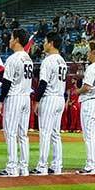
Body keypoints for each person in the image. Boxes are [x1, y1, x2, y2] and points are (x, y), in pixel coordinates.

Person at [0, 29, 33, 177]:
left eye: (11, 38)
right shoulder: (27, 58)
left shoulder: (13, 58)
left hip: (15, 97)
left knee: (10, 133)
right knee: (23, 134)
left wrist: (0, 101)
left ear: (17, 40)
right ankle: (23, 167)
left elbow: (6, 83)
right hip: (25, 97)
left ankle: (12, 167)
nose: (9, 40)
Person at [32, 33, 67, 176]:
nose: (44, 44)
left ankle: (42, 166)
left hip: (50, 97)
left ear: (51, 43)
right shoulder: (62, 60)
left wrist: (36, 100)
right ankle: (57, 165)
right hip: (60, 98)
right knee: (55, 134)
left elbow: (43, 83)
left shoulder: (48, 60)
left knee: (45, 133)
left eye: (46, 41)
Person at [75, 40, 95, 175]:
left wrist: (76, 91)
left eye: (89, 51)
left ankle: (91, 165)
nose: (87, 53)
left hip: (90, 102)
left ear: (94, 52)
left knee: (89, 136)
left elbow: (87, 87)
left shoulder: (93, 67)